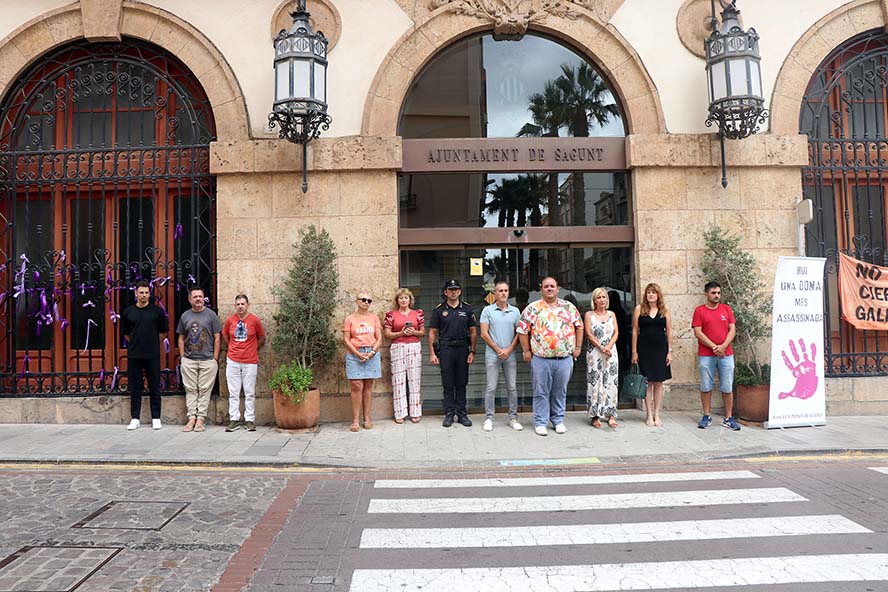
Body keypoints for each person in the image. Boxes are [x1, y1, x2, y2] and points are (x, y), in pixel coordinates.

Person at [517, 277, 583, 436]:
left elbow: (579, 326)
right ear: (541, 289)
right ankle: (540, 422)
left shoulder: (569, 307)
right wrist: (526, 350)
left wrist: (578, 347)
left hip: (564, 358)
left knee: (560, 391)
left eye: (552, 286)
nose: (549, 289)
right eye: (546, 286)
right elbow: (522, 330)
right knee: (541, 391)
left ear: (558, 289)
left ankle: (558, 420)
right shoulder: (533, 308)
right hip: (541, 359)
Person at [428, 279, 476, 428]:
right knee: (448, 383)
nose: (454, 292)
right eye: (451, 289)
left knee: (461, 382)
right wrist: (432, 353)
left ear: (460, 291)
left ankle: (462, 413)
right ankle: (449, 413)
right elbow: (432, 332)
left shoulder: (467, 309)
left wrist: (472, 351)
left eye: (456, 289)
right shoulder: (439, 310)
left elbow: (473, 332)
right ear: (446, 292)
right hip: (446, 350)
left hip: (462, 349)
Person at [692, 281, 740, 431]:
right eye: (713, 293)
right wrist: (714, 347)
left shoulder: (726, 309)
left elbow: (732, 329)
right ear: (706, 294)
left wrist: (723, 346)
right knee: (706, 385)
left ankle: (728, 418)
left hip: (726, 354)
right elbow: (698, 332)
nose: (716, 295)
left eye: (718, 293)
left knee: (727, 386)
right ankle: (706, 415)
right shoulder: (699, 311)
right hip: (706, 354)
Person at [121, 280, 168, 431]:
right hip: (134, 355)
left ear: (150, 294)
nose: (144, 295)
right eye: (141, 292)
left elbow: (163, 332)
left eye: (147, 293)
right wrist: (136, 342)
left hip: (152, 354)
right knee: (135, 388)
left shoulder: (157, 312)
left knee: (155, 386)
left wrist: (153, 342)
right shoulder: (128, 312)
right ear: (136, 293)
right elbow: (126, 334)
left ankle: (156, 418)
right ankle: (135, 418)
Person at [479, 281, 523, 432]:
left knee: (512, 387)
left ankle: (513, 418)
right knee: (491, 387)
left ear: (508, 292)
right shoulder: (487, 310)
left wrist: (509, 349)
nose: (503, 293)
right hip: (492, 354)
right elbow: (484, 334)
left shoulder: (515, 311)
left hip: (509, 355)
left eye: (505, 290)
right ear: (495, 293)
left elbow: (520, 332)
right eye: (500, 291)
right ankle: (489, 418)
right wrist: (498, 349)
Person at [177, 287, 222, 433]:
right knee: (190, 389)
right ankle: (191, 418)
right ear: (190, 299)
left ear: (204, 298)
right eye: (195, 296)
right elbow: (181, 337)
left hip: (207, 360)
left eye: (200, 296)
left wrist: (215, 358)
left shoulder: (211, 315)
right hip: (189, 360)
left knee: (204, 390)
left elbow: (217, 337)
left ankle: (201, 419)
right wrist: (183, 357)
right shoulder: (185, 316)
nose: (198, 299)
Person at [222, 294, 265, 432]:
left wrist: (253, 348)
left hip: (250, 360)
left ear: (248, 305)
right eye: (238, 304)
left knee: (249, 391)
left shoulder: (254, 320)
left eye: (243, 304)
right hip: (233, 360)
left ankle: (249, 420)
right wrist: (231, 347)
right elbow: (224, 335)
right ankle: (234, 419)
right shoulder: (230, 320)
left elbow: (262, 337)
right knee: (233, 391)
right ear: (235, 306)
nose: (240, 307)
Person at [632, 283, 672, 427]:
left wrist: (670, 351)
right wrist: (634, 352)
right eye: (648, 292)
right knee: (647, 382)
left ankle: (657, 414)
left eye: (653, 292)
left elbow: (669, 331)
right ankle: (648, 414)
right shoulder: (639, 309)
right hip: (644, 348)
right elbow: (635, 331)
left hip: (660, 349)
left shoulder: (664, 310)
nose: (651, 295)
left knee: (659, 382)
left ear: (658, 295)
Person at [384, 288, 425, 424]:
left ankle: (415, 412)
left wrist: (413, 331)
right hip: (398, 347)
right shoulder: (391, 315)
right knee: (398, 379)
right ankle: (400, 413)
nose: (403, 300)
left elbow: (422, 332)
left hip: (414, 345)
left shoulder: (417, 314)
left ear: (410, 300)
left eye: (406, 298)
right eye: (401, 298)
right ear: (397, 300)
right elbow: (387, 334)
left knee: (414, 380)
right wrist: (400, 333)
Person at [343, 291, 382, 432]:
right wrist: (357, 353)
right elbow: (346, 339)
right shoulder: (350, 319)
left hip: (371, 352)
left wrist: (372, 352)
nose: (366, 302)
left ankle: (367, 417)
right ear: (357, 301)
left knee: (368, 384)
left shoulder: (374, 318)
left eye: (369, 301)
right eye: (363, 300)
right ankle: (355, 419)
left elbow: (379, 338)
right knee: (356, 385)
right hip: (355, 352)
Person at [585, 287, 619, 429]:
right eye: (599, 297)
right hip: (595, 352)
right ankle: (595, 415)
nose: (602, 300)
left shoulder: (612, 314)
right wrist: (601, 347)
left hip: (611, 352)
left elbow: (616, 332)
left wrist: (609, 346)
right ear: (594, 300)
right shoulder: (589, 315)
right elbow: (588, 334)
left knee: (611, 381)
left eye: (604, 297)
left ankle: (610, 414)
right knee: (595, 382)